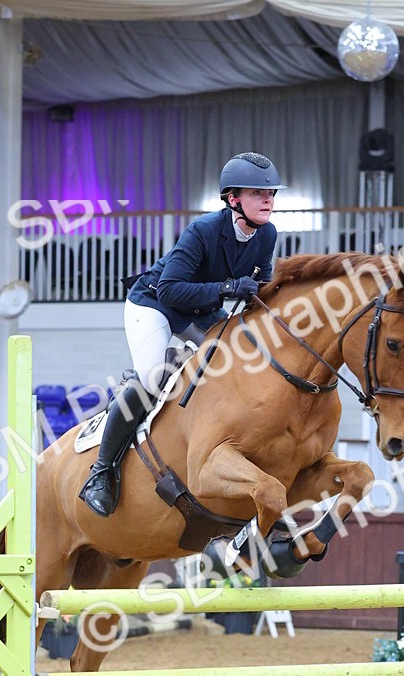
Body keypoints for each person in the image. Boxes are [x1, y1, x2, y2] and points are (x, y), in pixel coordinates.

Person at [79, 151, 286, 517]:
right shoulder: (203, 230)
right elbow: (170, 289)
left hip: (200, 308)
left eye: (270, 193)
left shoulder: (266, 234)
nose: (268, 199)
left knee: (243, 357)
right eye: (258, 193)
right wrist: (225, 288)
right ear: (233, 199)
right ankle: (101, 472)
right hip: (154, 304)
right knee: (152, 378)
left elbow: (262, 282)